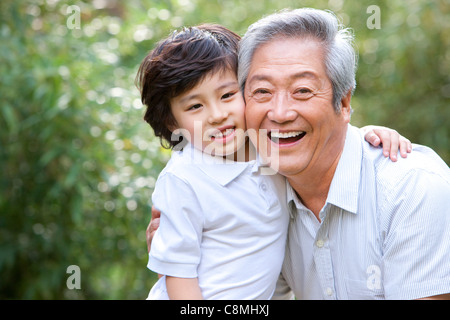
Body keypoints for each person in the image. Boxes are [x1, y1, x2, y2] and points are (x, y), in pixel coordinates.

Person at [139, 22, 412, 300]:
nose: (217, 115)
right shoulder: (184, 180)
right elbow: (177, 275)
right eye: (195, 106)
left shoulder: (269, 152)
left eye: (227, 95)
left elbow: (322, 142)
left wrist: (370, 135)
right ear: (173, 122)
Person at [237, 8, 450, 299]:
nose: (280, 113)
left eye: (302, 90)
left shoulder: (411, 190)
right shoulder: (252, 196)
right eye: (262, 91)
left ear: (345, 102)